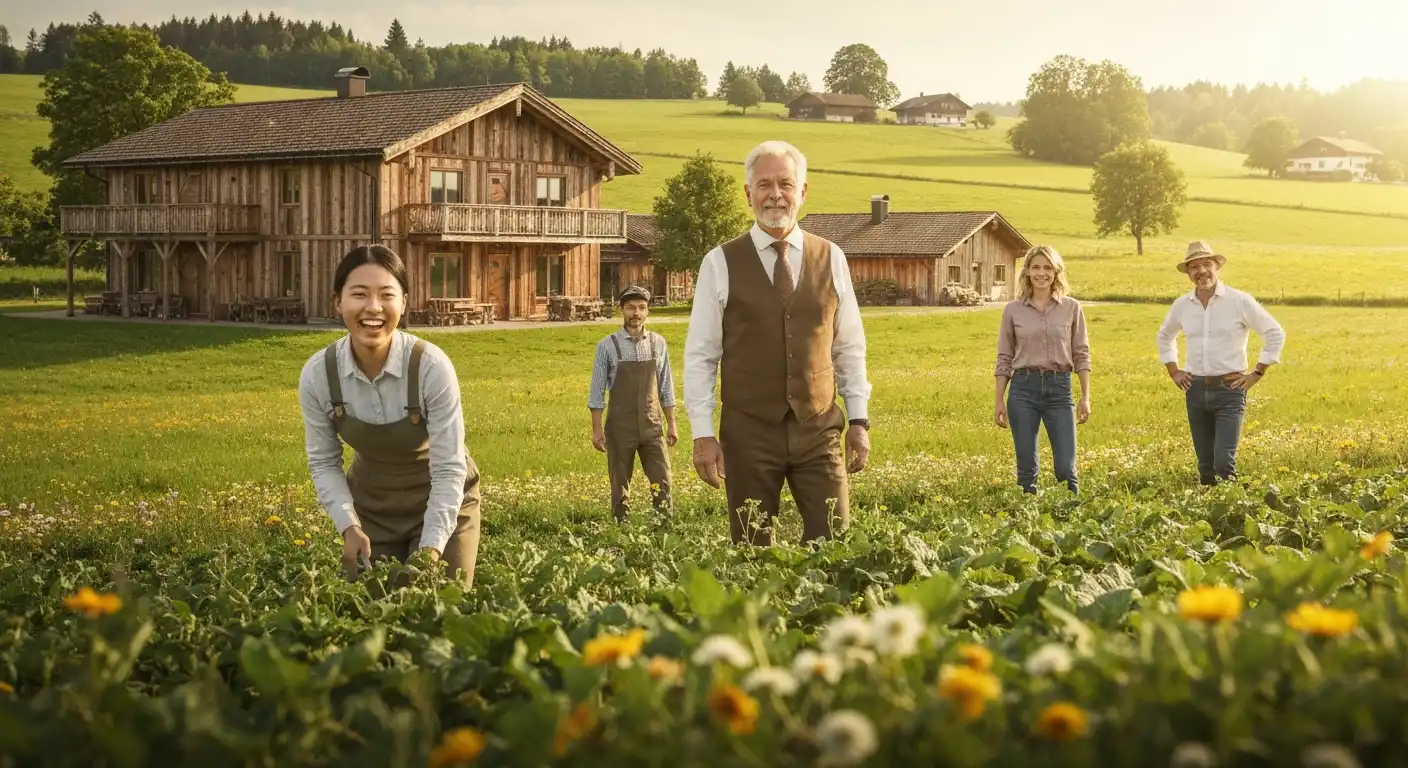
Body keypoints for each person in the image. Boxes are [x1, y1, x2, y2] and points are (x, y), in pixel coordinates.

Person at [683, 140, 872, 546]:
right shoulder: (719, 263)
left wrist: (858, 419)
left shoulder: (832, 257)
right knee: (751, 550)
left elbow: (849, 346)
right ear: (748, 193)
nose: (775, 194)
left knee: (833, 544)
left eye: (786, 184)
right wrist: (702, 434)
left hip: (819, 427)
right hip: (748, 433)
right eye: (764, 184)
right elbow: (701, 356)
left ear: (802, 192)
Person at [297, 244, 482, 588]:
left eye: (386, 295)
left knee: (444, 600)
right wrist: (349, 525)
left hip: (443, 499)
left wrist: (432, 545)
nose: (373, 308)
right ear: (337, 302)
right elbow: (323, 462)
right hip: (372, 507)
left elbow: (448, 468)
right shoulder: (319, 374)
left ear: (404, 303)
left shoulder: (431, 366)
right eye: (359, 294)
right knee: (371, 606)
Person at [1157, 240, 1286, 486]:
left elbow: (1275, 333)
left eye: (1206, 264)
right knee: (1205, 465)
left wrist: (1256, 373)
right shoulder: (1182, 305)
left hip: (1230, 390)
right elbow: (1165, 335)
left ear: (1217, 267)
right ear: (1189, 273)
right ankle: (1208, 519)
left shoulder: (1239, 301)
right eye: (1194, 267)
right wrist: (1173, 371)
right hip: (1194, 390)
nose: (1201, 271)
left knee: (1223, 463)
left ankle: (1232, 512)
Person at [993, 245, 1092, 495]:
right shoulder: (1012, 310)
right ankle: (1029, 522)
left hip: (1059, 389)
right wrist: (999, 401)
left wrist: (1085, 397)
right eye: (1036, 267)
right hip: (1023, 390)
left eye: (1048, 267)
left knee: (1065, 468)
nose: (1041, 273)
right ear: (1026, 272)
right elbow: (1004, 357)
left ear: (1056, 272)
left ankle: (1071, 520)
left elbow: (1081, 354)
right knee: (1027, 467)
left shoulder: (1072, 308)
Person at [588, 285, 678, 520]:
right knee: (619, 482)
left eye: (641, 308)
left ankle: (664, 530)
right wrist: (597, 429)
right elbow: (597, 391)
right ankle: (621, 530)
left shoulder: (658, 343)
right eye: (631, 308)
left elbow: (666, 385)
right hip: (620, 427)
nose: (636, 313)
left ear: (647, 311)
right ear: (622, 310)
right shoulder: (606, 346)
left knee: (663, 479)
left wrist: (672, 423)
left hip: (652, 425)